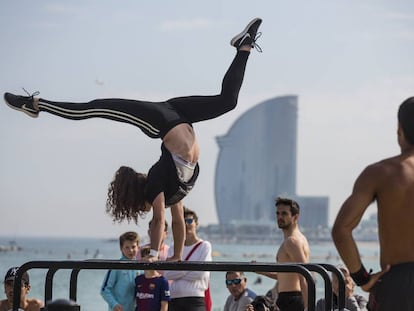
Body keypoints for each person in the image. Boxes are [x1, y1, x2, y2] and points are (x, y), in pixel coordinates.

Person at [3, 17, 262, 263]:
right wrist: (175, 256)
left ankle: (35, 104)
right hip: (179, 115)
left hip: (161, 121)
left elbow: (160, 220)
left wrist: (153, 254)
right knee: (228, 102)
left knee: (96, 108)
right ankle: (245, 46)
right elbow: (177, 220)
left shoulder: (155, 183)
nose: (147, 209)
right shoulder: (175, 192)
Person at [331, 96, 414, 311]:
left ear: (399, 130)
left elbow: (341, 229)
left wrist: (362, 278)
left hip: (398, 284)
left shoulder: (381, 173)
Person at [256, 197, 310, 311]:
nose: (280, 217)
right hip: (288, 298)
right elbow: (285, 276)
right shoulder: (297, 239)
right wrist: (261, 270)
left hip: (292, 300)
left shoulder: (292, 242)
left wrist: (308, 307)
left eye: (284, 213)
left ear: (295, 217)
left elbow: (305, 275)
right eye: (278, 213)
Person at [163, 207, 212, 311]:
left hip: (195, 299)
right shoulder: (173, 247)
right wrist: (191, 268)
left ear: (196, 224)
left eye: (189, 221)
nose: (186, 224)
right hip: (174, 299)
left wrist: (179, 270)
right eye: (183, 221)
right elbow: (167, 274)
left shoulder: (204, 246)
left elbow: (200, 274)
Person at [101, 231, 142, 311]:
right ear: (121, 248)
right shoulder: (116, 267)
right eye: (127, 247)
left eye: (133, 247)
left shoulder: (141, 268)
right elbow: (105, 290)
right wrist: (114, 304)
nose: (130, 250)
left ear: (138, 247)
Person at [135, 246, 170, 311]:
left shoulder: (162, 281)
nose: (148, 261)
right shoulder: (138, 279)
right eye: (145, 258)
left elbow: (164, 305)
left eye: (150, 259)